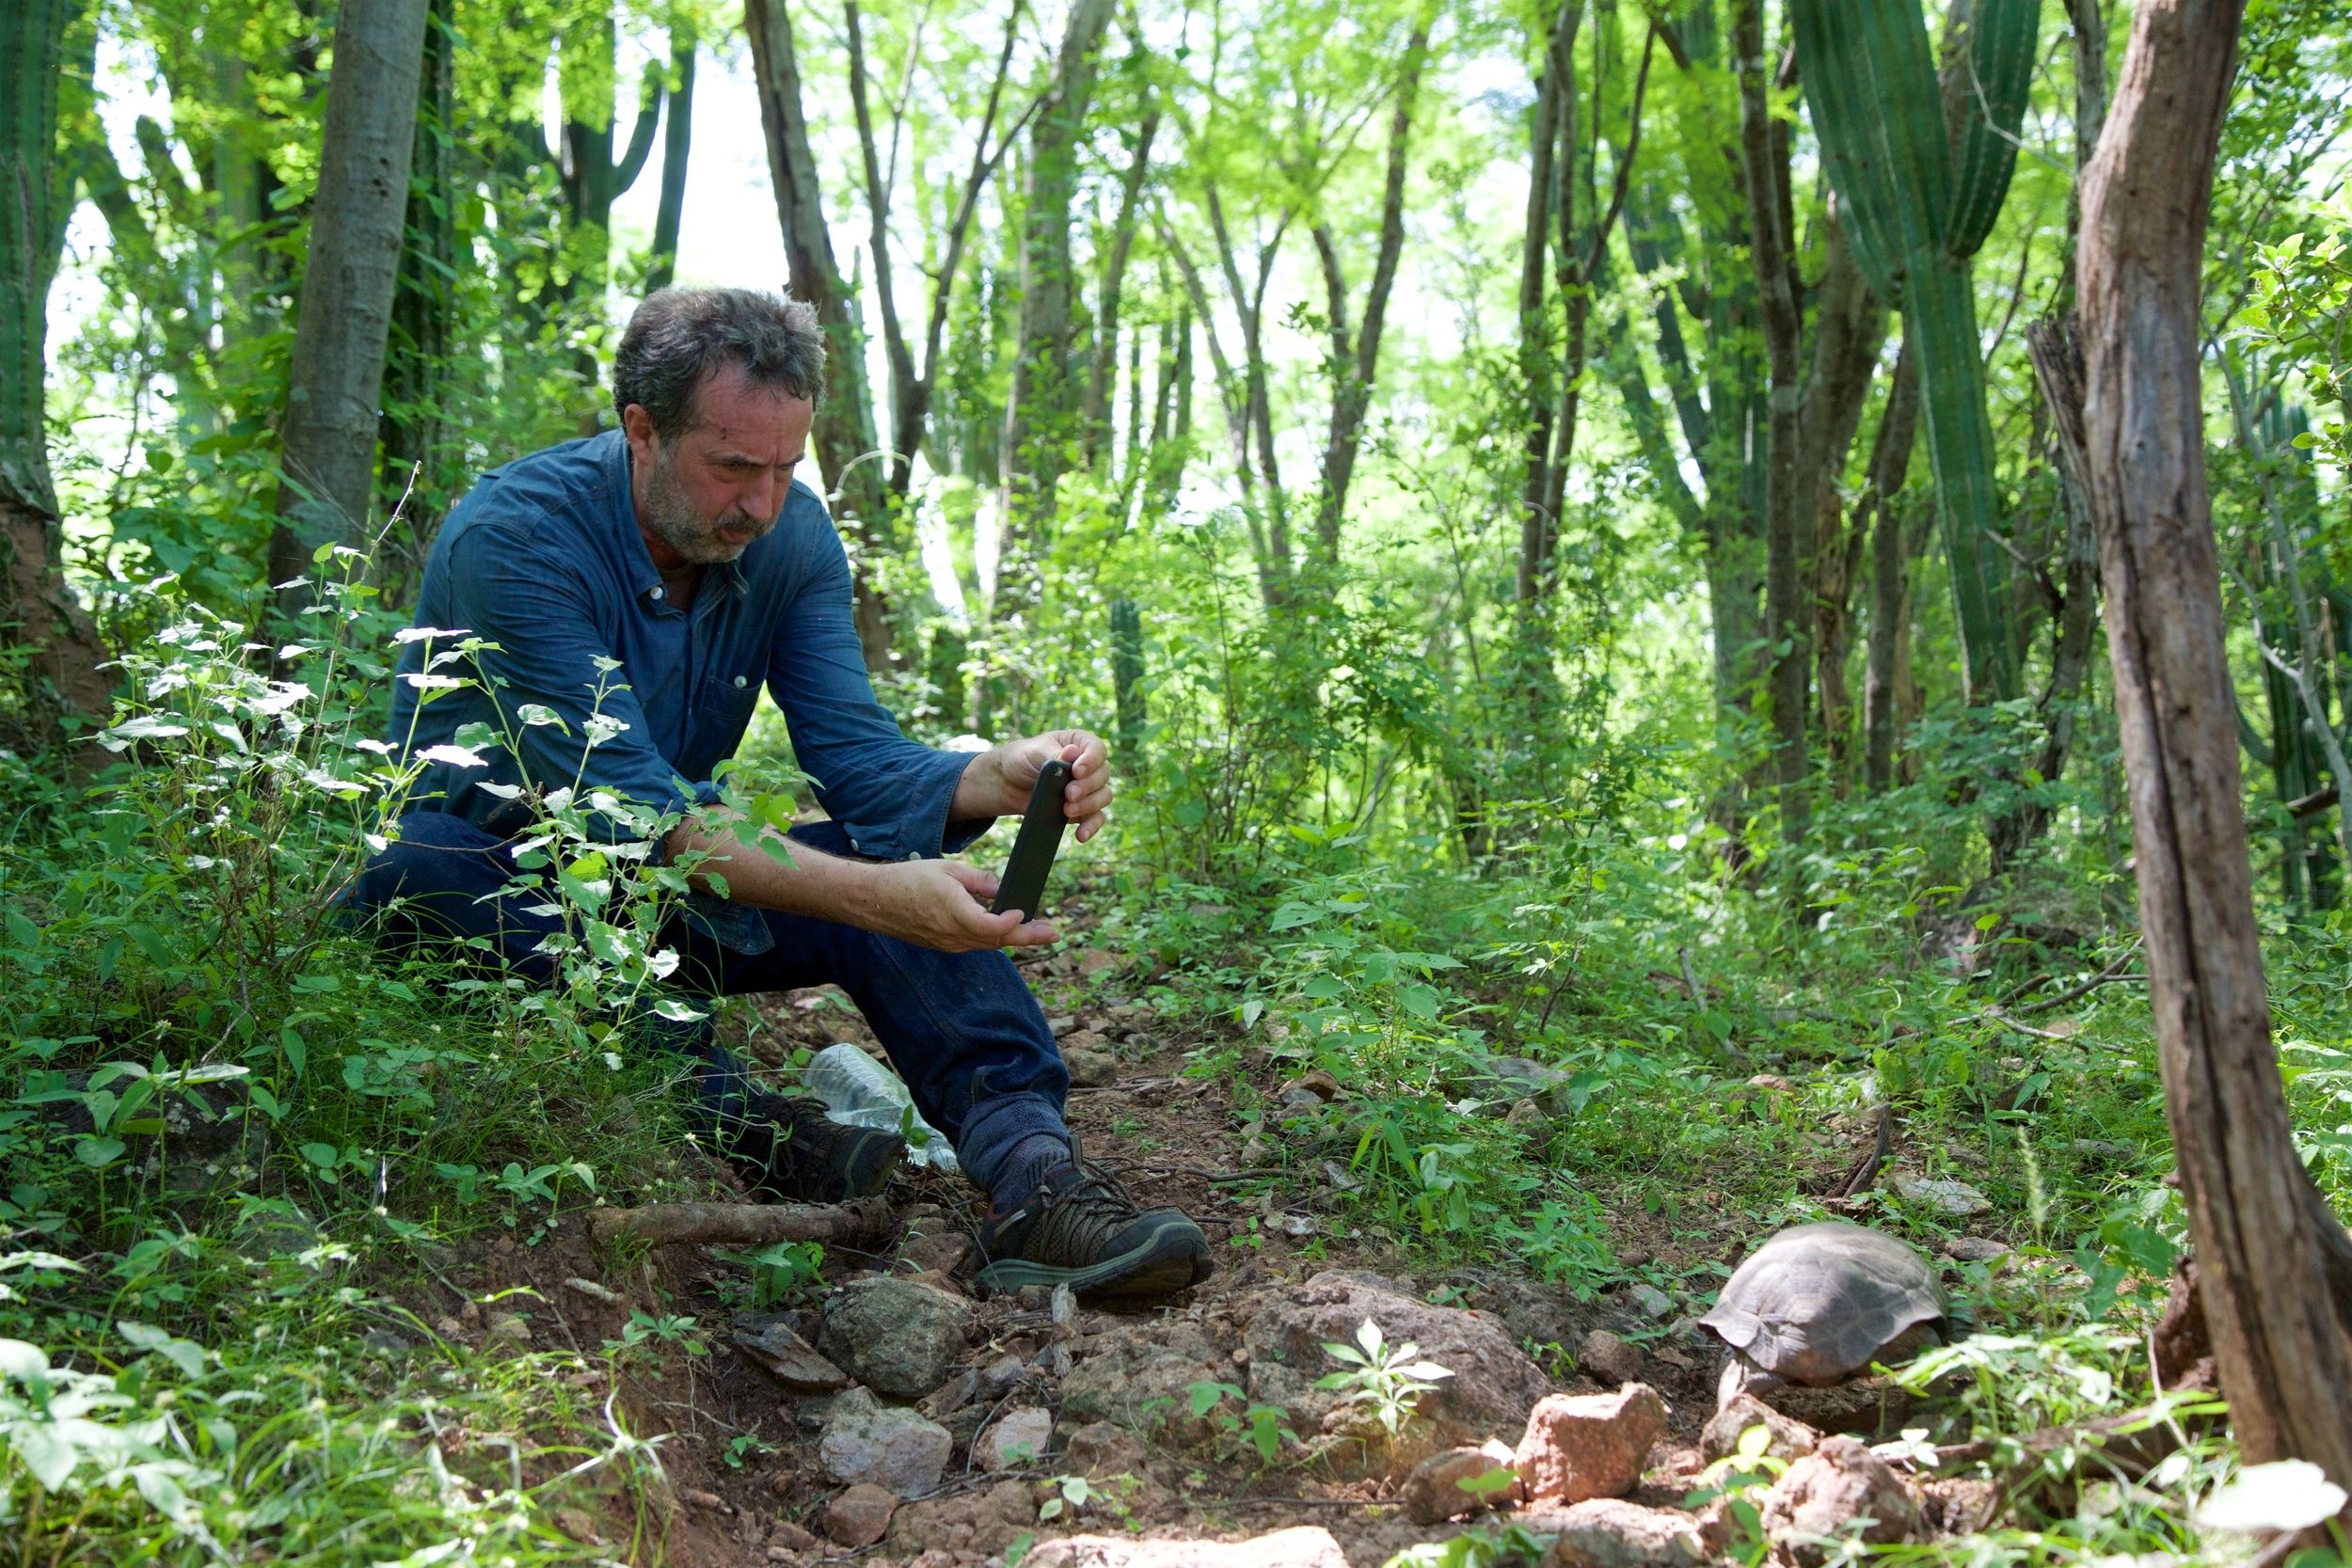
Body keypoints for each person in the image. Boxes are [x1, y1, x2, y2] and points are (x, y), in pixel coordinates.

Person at [350, 287, 1210, 1303]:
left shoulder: (788, 538)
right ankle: (752, 1130)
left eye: (786, 466)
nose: (761, 502)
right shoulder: (517, 538)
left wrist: (993, 772)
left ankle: (1035, 1178)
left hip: (667, 894)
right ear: (641, 430)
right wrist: (874, 892)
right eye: (733, 466)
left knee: (877, 862)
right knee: (417, 875)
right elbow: (639, 817)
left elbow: (859, 760)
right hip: (510, 885)